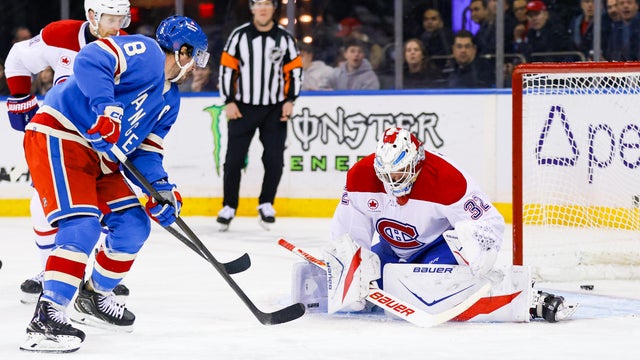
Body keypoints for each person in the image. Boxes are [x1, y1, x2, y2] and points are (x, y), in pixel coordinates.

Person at [19, 15, 209, 353]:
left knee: (133, 226)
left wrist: (162, 189)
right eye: (196, 56)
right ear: (181, 51)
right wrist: (106, 108)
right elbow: (93, 58)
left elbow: (146, 152)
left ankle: (93, 298)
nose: (196, 66)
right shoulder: (148, 52)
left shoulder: (171, 99)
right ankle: (47, 317)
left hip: (101, 158)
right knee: (82, 227)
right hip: (61, 134)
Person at [320, 127, 575, 323]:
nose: (393, 180)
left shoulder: (447, 178)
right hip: (392, 250)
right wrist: (351, 270)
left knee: (428, 291)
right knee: (372, 287)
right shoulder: (359, 177)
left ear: (417, 162)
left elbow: (488, 222)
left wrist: (480, 250)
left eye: (400, 171)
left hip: (438, 248)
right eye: (387, 174)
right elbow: (348, 234)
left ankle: (527, 299)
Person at [4, 0, 131, 305]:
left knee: (104, 210)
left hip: (100, 145)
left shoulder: (128, 50)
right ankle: (50, 269)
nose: (117, 27)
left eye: (121, 19)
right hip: (58, 141)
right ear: (91, 16)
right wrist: (21, 98)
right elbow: (17, 58)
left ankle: (98, 275)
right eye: (110, 19)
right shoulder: (60, 35)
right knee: (43, 202)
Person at [217, 0, 302, 230]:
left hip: (275, 109)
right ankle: (229, 206)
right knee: (233, 160)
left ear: (274, 7)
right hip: (242, 107)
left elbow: (294, 70)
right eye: (258, 3)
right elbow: (227, 69)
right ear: (252, 8)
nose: (263, 8)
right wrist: (229, 101)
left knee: (274, 160)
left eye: (267, 3)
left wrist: (290, 100)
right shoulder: (239, 36)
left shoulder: (284, 38)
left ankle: (266, 203)